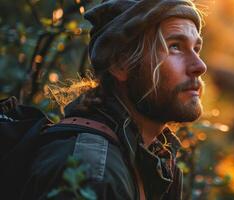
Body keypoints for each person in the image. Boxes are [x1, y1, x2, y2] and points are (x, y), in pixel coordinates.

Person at [21, 0, 206, 199]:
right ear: (120, 64)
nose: (200, 65)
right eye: (175, 47)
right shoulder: (92, 175)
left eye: (196, 48)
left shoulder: (148, 157)